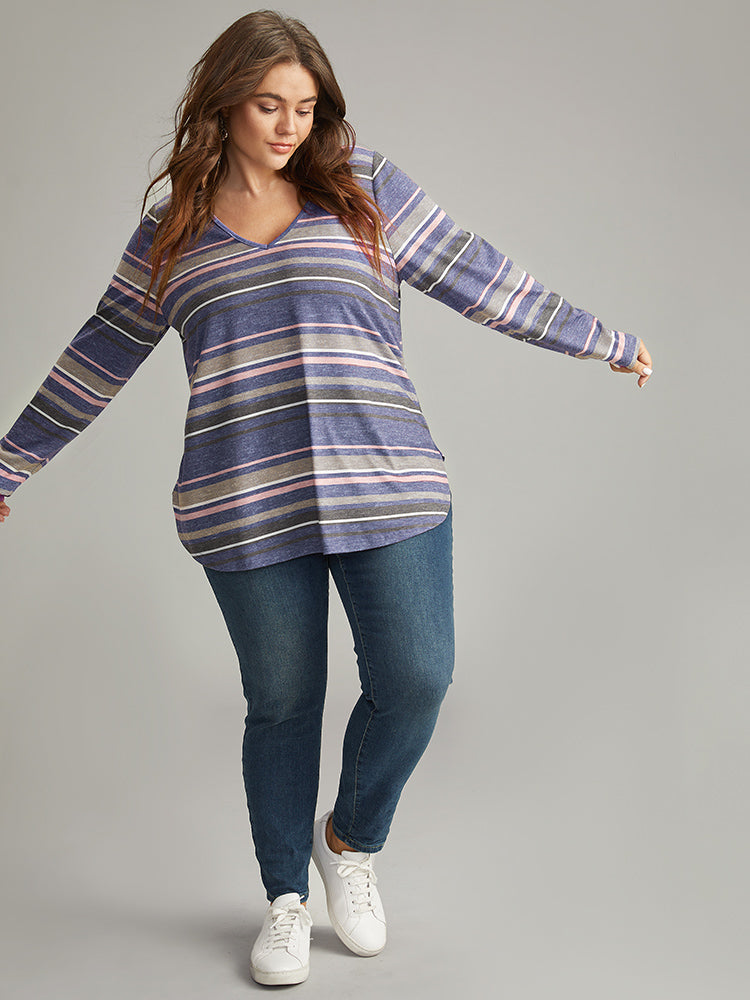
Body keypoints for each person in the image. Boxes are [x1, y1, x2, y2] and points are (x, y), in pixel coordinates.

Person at [0, 8, 652, 988]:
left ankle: (348, 840)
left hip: (387, 481)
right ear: (226, 102)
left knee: (419, 676)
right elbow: (97, 356)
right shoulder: (174, 232)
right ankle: (285, 901)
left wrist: (599, 338)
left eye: (304, 107)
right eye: (269, 104)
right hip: (244, 501)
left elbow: (478, 274)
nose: (288, 126)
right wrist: (8, 464)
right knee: (282, 703)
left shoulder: (365, 189)